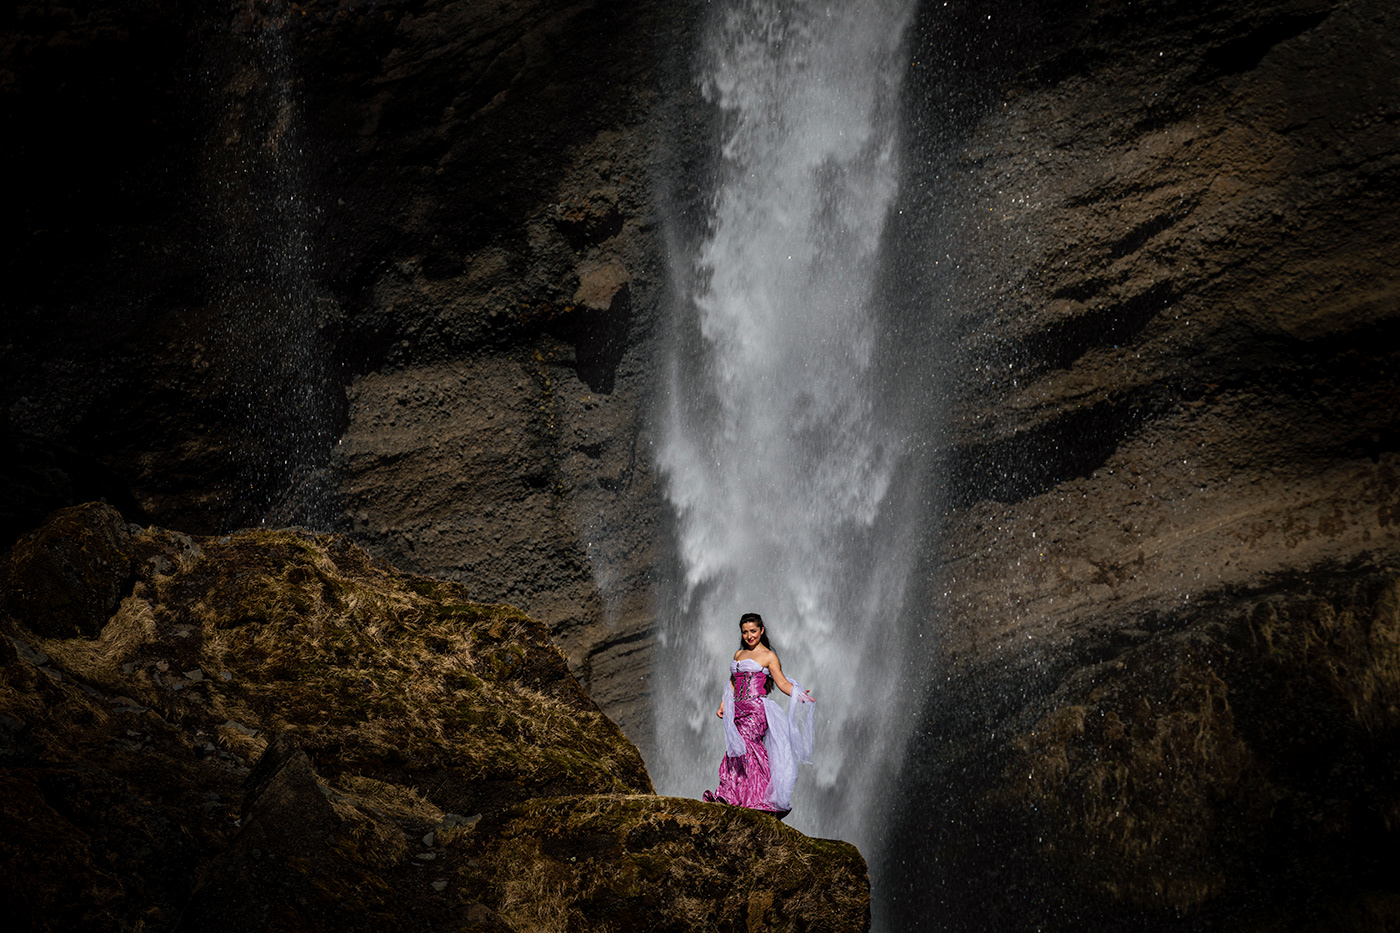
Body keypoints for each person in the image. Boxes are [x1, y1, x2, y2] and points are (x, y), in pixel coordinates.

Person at [701, 612, 815, 818]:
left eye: (753, 631)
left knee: (745, 745)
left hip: (756, 710)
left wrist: (798, 695)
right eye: (745, 632)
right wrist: (723, 704)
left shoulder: (769, 656)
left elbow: (781, 682)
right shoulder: (738, 655)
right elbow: (733, 682)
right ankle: (740, 796)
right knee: (736, 749)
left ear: (762, 630)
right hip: (737, 709)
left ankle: (759, 797)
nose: (749, 636)